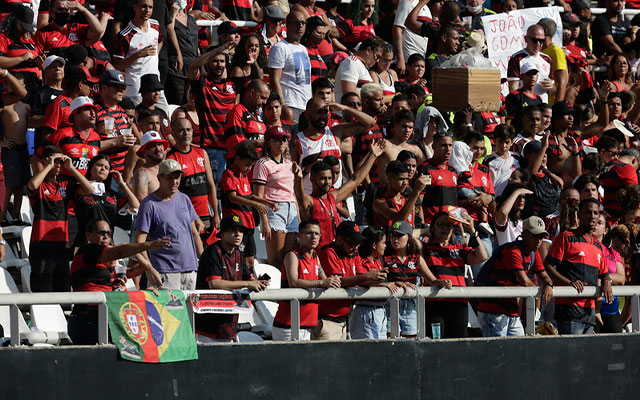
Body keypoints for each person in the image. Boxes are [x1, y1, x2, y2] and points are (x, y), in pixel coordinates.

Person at [68, 219, 170, 344]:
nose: (106, 236)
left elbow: (134, 268)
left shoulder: (108, 269)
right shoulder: (87, 251)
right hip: (88, 319)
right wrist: (147, 245)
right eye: (101, 232)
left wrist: (144, 292)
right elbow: (118, 252)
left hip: (108, 317)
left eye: (109, 233)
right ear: (88, 235)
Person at [295, 139, 385, 249]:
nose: (328, 182)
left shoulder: (333, 196)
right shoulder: (310, 201)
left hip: (335, 251)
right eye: (323, 178)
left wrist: (373, 155)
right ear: (312, 178)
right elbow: (300, 197)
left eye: (329, 178)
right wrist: (298, 179)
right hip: (319, 252)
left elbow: (355, 180)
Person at [28, 146, 93, 292]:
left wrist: (71, 168)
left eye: (60, 162)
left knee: (62, 288)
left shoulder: (64, 185)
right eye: (55, 161)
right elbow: (32, 185)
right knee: (42, 290)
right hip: (41, 245)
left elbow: (89, 189)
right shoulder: (39, 183)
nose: (58, 165)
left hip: (62, 245)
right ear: (46, 161)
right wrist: (49, 164)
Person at [544, 198, 614, 335]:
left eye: (595, 213)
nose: (592, 216)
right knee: (570, 355)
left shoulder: (599, 246)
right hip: (568, 311)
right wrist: (569, 283)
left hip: (589, 312)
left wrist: (607, 282)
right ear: (579, 214)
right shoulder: (566, 237)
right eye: (588, 212)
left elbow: (605, 275)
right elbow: (548, 265)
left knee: (585, 355)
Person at [195, 215, 270, 342]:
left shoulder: (238, 253)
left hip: (229, 323)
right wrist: (247, 283)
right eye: (232, 230)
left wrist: (257, 282)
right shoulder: (212, 252)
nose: (238, 234)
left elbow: (247, 277)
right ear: (222, 234)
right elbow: (215, 284)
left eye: (241, 231)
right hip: (209, 325)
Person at [477, 216, 554, 337]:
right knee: (496, 353)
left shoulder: (533, 253)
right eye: (535, 236)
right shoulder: (512, 251)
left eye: (541, 237)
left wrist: (548, 285)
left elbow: (544, 275)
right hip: (493, 310)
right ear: (524, 234)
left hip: (511, 311)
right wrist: (541, 289)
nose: (539, 241)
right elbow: (525, 281)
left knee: (518, 350)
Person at [134, 159, 204, 290]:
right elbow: (138, 243)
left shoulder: (184, 199)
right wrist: (149, 268)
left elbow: (194, 234)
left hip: (191, 271)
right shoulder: (149, 204)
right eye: (170, 178)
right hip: (164, 273)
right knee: (164, 311)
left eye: (177, 177)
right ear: (159, 178)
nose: (174, 182)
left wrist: (205, 264)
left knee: (190, 311)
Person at [315, 221, 387, 340]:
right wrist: (368, 276)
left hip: (343, 318)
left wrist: (382, 281)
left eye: (358, 243)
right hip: (326, 319)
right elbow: (339, 282)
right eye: (353, 242)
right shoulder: (328, 252)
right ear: (339, 239)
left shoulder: (354, 253)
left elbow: (359, 279)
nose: (356, 246)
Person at [272, 220, 341, 341]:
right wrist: (321, 283)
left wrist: (331, 280)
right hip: (288, 324)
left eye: (317, 233)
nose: (314, 236)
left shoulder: (315, 256)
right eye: (309, 233)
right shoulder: (292, 256)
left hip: (308, 323)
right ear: (299, 235)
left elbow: (323, 278)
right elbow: (294, 282)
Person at [423, 212, 486, 338]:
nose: (446, 228)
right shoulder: (425, 248)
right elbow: (410, 237)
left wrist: (472, 231)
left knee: (458, 344)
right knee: (435, 344)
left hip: (458, 303)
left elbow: (482, 257)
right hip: (435, 302)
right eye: (441, 224)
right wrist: (425, 231)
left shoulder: (459, 248)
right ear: (433, 227)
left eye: (449, 225)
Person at [385, 220, 452, 338]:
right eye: (393, 235)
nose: (395, 239)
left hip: (410, 307)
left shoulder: (417, 258)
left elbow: (432, 281)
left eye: (400, 235)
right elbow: (378, 281)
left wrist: (442, 282)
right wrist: (394, 282)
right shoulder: (384, 257)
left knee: (410, 341)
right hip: (390, 305)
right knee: (390, 341)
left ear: (409, 238)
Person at [187, 41, 236, 182]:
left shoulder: (231, 84)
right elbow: (192, 67)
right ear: (207, 63)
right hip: (212, 148)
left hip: (232, 148)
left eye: (222, 61)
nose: (219, 64)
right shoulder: (202, 85)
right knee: (215, 191)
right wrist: (217, 50)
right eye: (214, 61)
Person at [252, 126, 297, 266]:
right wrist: (264, 221)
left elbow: (293, 192)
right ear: (269, 142)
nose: (282, 142)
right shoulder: (262, 164)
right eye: (277, 140)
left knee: (289, 257)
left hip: (291, 207)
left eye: (284, 139)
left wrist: (298, 217)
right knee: (276, 259)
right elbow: (258, 196)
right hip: (275, 209)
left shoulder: (290, 163)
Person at [166, 117, 220, 233]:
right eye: (181, 130)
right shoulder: (170, 158)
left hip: (206, 215)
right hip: (186, 217)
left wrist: (216, 213)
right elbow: (173, 191)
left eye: (188, 130)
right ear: (173, 133)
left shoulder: (201, 153)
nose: (186, 133)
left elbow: (210, 185)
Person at [74, 155, 140, 247]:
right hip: (85, 243)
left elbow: (136, 206)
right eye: (99, 165)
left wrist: (122, 184)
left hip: (107, 243)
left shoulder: (111, 195)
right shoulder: (79, 189)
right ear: (90, 168)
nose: (102, 169)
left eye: (106, 168)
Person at [350, 226, 398, 339]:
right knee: (368, 352)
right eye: (384, 242)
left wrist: (397, 283)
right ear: (374, 245)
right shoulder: (360, 261)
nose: (386, 245)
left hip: (380, 310)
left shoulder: (377, 261)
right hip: (366, 310)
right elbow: (361, 280)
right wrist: (383, 284)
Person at [112, 0, 163, 103]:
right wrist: (138, 55)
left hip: (156, 86)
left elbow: (160, 40)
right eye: (143, 6)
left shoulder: (155, 25)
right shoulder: (125, 36)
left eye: (150, 7)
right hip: (136, 89)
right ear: (135, 7)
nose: (147, 10)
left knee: (163, 116)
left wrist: (154, 55)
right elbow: (117, 66)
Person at [268, 9, 312, 122]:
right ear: (287, 24)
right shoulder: (280, 48)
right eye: (297, 22)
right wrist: (283, 106)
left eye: (303, 22)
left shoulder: (304, 49)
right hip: (290, 104)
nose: (300, 25)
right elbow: (274, 80)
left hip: (306, 106)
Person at [44, 96, 102, 180]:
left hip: (86, 188)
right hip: (64, 189)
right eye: (87, 109)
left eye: (93, 110)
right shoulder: (61, 134)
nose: (93, 113)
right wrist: (47, 184)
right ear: (75, 115)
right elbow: (38, 158)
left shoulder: (96, 137)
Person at [0, 71, 30, 226]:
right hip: (9, 149)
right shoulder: (4, 106)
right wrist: (1, 142)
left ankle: (16, 216)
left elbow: (32, 124)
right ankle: (2, 217)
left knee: (20, 185)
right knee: (9, 185)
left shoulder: (26, 107)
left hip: (22, 148)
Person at [95, 70, 137, 173]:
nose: (122, 91)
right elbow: (86, 146)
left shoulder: (122, 111)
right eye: (118, 88)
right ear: (104, 88)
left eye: (124, 88)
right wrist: (115, 142)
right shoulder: (94, 112)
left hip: (123, 172)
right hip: (104, 172)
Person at [33, 0, 105, 57]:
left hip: (77, 71)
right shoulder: (43, 33)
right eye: (60, 9)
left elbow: (99, 31)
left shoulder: (77, 29)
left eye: (66, 9)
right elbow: (37, 56)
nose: (64, 12)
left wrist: (83, 9)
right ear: (51, 12)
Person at [593, 213, 626, 333]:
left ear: (606, 230)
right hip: (587, 311)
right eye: (594, 221)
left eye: (600, 222)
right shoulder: (582, 248)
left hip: (611, 310)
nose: (595, 224)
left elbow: (622, 278)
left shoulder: (613, 253)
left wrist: (604, 277)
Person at [507, 24, 553, 103]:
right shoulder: (517, 58)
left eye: (542, 41)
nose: (538, 44)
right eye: (534, 40)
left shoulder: (547, 59)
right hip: (526, 108)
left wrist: (551, 86)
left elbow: (552, 91)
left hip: (542, 107)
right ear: (526, 39)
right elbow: (513, 90)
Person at [417, 132, 457, 225]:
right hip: (433, 226)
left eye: (450, 145)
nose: (448, 149)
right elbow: (418, 200)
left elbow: (454, 203)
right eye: (443, 145)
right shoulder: (425, 169)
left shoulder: (453, 171)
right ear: (433, 146)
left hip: (453, 226)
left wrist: (461, 231)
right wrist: (422, 225)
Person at [223, 79, 269, 158]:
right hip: (241, 165)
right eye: (262, 98)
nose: (265, 102)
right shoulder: (237, 111)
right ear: (252, 93)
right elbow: (236, 144)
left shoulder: (258, 115)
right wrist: (261, 143)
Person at [373, 161, 426, 229]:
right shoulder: (379, 203)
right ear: (389, 179)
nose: (405, 183)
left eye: (407, 179)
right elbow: (399, 220)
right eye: (401, 179)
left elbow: (412, 228)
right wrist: (416, 192)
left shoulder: (408, 202)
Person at [333, 36, 383, 104]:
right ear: (368, 50)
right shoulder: (352, 62)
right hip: (346, 113)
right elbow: (349, 92)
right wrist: (372, 102)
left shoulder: (360, 65)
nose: (377, 60)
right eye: (377, 56)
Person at [598, 136, 638, 219]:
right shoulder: (626, 168)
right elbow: (635, 195)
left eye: (617, 154)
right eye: (614, 154)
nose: (616, 157)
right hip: (619, 218)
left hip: (599, 217)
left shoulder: (594, 169)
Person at [482, 124, 520, 197]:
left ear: (512, 142)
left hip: (513, 200)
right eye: (500, 142)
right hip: (495, 200)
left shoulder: (517, 158)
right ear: (494, 141)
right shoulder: (488, 160)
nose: (503, 145)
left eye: (507, 142)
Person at [132, 130, 169, 202]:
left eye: (159, 144)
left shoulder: (167, 169)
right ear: (144, 152)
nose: (158, 149)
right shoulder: (142, 173)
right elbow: (143, 203)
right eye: (153, 146)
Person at [505, 62, 542, 132]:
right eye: (528, 74)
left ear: (537, 76)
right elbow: (509, 120)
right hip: (518, 135)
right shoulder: (514, 96)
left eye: (534, 73)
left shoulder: (538, 99)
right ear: (521, 76)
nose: (532, 76)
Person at [539, 18, 568, 104]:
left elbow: (562, 83)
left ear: (545, 31)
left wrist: (557, 109)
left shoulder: (556, 52)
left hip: (550, 105)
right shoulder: (537, 49)